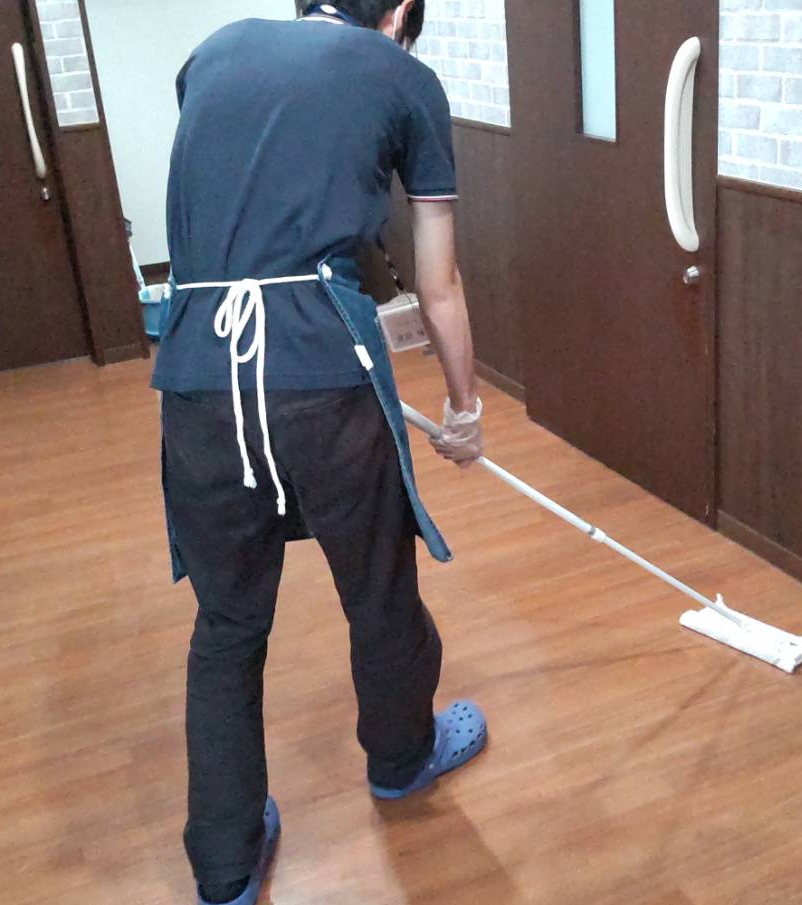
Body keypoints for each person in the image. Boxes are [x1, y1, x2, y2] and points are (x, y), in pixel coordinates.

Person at [152, 2, 488, 903]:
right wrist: (464, 408)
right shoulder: (404, 77)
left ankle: (224, 865)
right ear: (402, 12)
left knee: (227, 624)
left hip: (196, 374)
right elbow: (438, 282)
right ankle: (402, 757)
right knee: (378, 588)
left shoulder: (213, 52)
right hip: (322, 374)